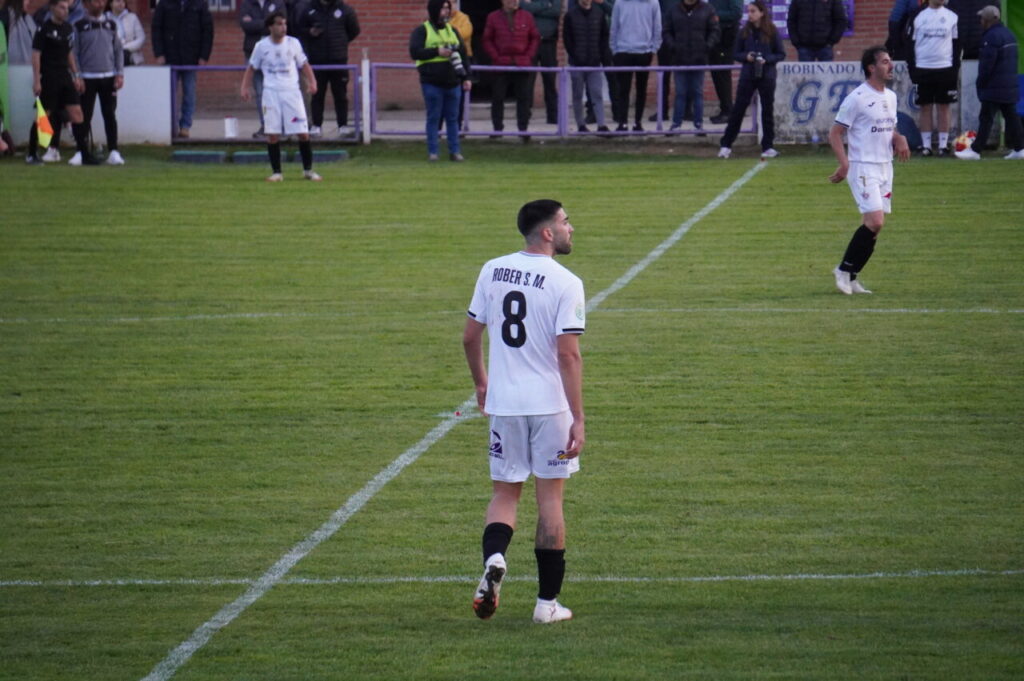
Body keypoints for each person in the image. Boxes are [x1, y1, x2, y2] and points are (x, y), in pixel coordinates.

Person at [463, 198, 585, 626]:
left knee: (504, 493)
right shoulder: (566, 281)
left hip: (505, 405)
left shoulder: (492, 269)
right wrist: (580, 418)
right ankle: (546, 604)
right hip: (550, 406)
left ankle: (495, 557)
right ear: (547, 232)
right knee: (550, 500)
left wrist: (482, 383)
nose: (572, 228)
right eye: (566, 222)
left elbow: (469, 337)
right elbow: (568, 356)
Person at [828, 46, 911, 295]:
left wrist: (899, 138)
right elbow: (835, 132)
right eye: (885, 62)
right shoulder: (857, 98)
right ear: (871, 68)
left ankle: (852, 276)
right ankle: (843, 270)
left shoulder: (891, 97)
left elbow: (888, 129)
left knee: (874, 227)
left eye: (890, 60)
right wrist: (844, 164)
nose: (891, 65)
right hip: (862, 166)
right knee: (875, 220)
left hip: (886, 166)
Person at [240, 12, 321, 182]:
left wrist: (312, 82)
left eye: (284, 24)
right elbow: (251, 68)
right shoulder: (261, 46)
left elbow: (304, 65)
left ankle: (308, 170)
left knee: (302, 132)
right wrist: (244, 87)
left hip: (292, 93)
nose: (283, 27)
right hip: (271, 93)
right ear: (270, 27)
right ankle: (277, 172)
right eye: (279, 24)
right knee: (273, 134)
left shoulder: (293, 43)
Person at [27, 0, 94, 165]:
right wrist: (37, 81)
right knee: (45, 116)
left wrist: (76, 75)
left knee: (77, 113)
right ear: (53, 8)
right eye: (62, 8)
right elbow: (36, 55)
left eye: (67, 8)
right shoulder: (43, 29)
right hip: (50, 77)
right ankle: (31, 153)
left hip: (65, 77)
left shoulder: (68, 28)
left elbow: (69, 53)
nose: (65, 11)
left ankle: (84, 154)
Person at [954, 6, 1024, 161]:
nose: (980, 21)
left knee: (986, 119)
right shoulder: (1009, 35)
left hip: (994, 86)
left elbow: (987, 65)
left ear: (987, 20)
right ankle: (1020, 148)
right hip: (1009, 84)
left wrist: (980, 82)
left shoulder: (990, 37)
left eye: (982, 19)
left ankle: (975, 150)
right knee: (1012, 118)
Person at [717, 0, 784, 158]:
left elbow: (780, 54)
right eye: (749, 11)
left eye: (753, 11)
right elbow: (736, 53)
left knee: (767, 110)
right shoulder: (744, 32)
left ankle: (767, 146)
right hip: (748, 75)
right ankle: (726, 145)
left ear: (762, 13)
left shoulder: (772, 31)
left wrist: (766, 59)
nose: (750, 14)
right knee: (738, 110)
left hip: (767, 75)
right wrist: (746, 57)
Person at [410, 0, 471, 162]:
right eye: (442, 8)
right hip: (431, 82)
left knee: (453, 118)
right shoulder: (422, 31)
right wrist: (437, 51)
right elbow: (415, 52)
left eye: (447, 8)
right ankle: (433, 152)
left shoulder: (453, 31)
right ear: (434, 10)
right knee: (434, 118)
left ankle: (455, 151)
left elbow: (464, 55)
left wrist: (466, 77)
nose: (446, 12)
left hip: (453, 82)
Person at [296, 0, 359, 138]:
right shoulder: (309, 9)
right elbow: (300, 30)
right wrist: (310, 32)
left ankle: (342, 126)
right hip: (317, 60)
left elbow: (354, 31)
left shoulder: (345, 9)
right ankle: (317, 126)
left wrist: (340, 42)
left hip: (339, 60)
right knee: (317, 94)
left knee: (340, 95)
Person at [152, 0, 213, 139]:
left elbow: (207, 30)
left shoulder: (200, 4)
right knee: (169, 95)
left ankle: (185, 126)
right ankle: (170, 125)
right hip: (169, 57)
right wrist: (159, 53)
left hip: (191, 58)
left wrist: (204, 55)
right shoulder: (164, 3)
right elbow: (156, 28)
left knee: (189, 93)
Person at [74, 0, 125, 165]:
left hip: (108, 76)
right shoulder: (79, 25)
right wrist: (77, 75)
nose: (100, 4)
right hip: (87, 77)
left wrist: (119, 73)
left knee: (109, 114)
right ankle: (81, 152)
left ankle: (114, 151)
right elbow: (74, 53)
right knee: (84, 116)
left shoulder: (111, 25)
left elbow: (118, 50)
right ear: (86, 4)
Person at [482, 0, 539, 140]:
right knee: (497, 97)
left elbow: (535, 38)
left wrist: (528, 56)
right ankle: (497, 129)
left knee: (524, 98)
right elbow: (487, 39)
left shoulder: (527, 16)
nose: (514, 2)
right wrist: (496, 57)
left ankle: (523, 129)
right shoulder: (493, 17)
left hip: (522, 63)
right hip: (501, 63)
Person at [908, 0, 959, 156]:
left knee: (944, 106)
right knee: (925, 106)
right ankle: (926, 146)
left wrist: (955, 67)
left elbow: (957, 44)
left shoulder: (952, 16)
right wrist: (913, 69)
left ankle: (943, 146)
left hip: (945, 67)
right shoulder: (917, 16)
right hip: (923, 67)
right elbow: (910, 44)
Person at [663, 0, 720, 134]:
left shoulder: (707, 9)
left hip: (699, 59)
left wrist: (707, 46)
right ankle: (676, 125)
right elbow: (666, 31)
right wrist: (673, 46)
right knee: (680, 93)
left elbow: (715, 31)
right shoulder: (673, 10)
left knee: (698, 93)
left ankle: (698, 125)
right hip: (679, 59)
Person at [610, 0, 661, 132]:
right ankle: (623, 123)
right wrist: (614, 50)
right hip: (623, 51)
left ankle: (638, 123)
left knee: (641, 89)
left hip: (644, 52)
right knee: (623, 90)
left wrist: (653, 49)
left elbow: (657, 27)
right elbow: (614, 27)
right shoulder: (620, 3)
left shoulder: (652, 3)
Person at [563, 0, 612, 133]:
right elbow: (567, 38)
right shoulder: (570, 15)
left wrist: (601, 56)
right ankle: (581, 125)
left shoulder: (599, 14)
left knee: (597, 93)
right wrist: (574, 55)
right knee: (577, 95)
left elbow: (604, 37)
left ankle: (601, 125)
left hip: (594, 63)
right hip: (577, 64)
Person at [239, 0, 284, 138]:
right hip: (253, 52)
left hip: (275, 54)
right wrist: (267, 23)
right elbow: (245, 25)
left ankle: (279, 125)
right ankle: (266, 125)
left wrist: (256, 22)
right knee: (260, 93)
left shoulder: (278, 3)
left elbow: (280, 25)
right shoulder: (247, 4)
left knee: (278, 90)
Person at [521, 0, 561, 125]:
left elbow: (557, 11)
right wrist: (546, 5)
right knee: (527, 81)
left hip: (549, 42)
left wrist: (534, 8)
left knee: (550, 80)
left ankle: (553, 117)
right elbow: (524, 9)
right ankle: (524, 115)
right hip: (529, 43)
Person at [708, 0, 741, 123]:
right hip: (715, 34)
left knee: (722, 74)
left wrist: (714, 15)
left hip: (726, 35)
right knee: (716, 73)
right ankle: (725, 109)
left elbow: (737, 13)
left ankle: (728, 111)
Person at [447, 0, 473, 130]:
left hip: (462, 57)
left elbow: (465, 34)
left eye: (453, 2)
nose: (451, 6)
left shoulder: (463, 18)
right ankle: (438, 129)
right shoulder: (436, 19)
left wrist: (446, 34)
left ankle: (457, 127)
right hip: (444, 59)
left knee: (459, 96)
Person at [105, 0, 144, 66]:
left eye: (123, 1)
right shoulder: (104, 19)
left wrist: (124, 47)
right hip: (109, 58)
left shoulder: (132, 17)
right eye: (118, 1)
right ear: (111, 3)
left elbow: (141, 38)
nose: (121, 3)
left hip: (131, 57)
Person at [2, 0, 38, 65]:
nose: (29, 1)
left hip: (28, 68)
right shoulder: (6, 15)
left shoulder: (28, 19)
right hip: (9, 66)